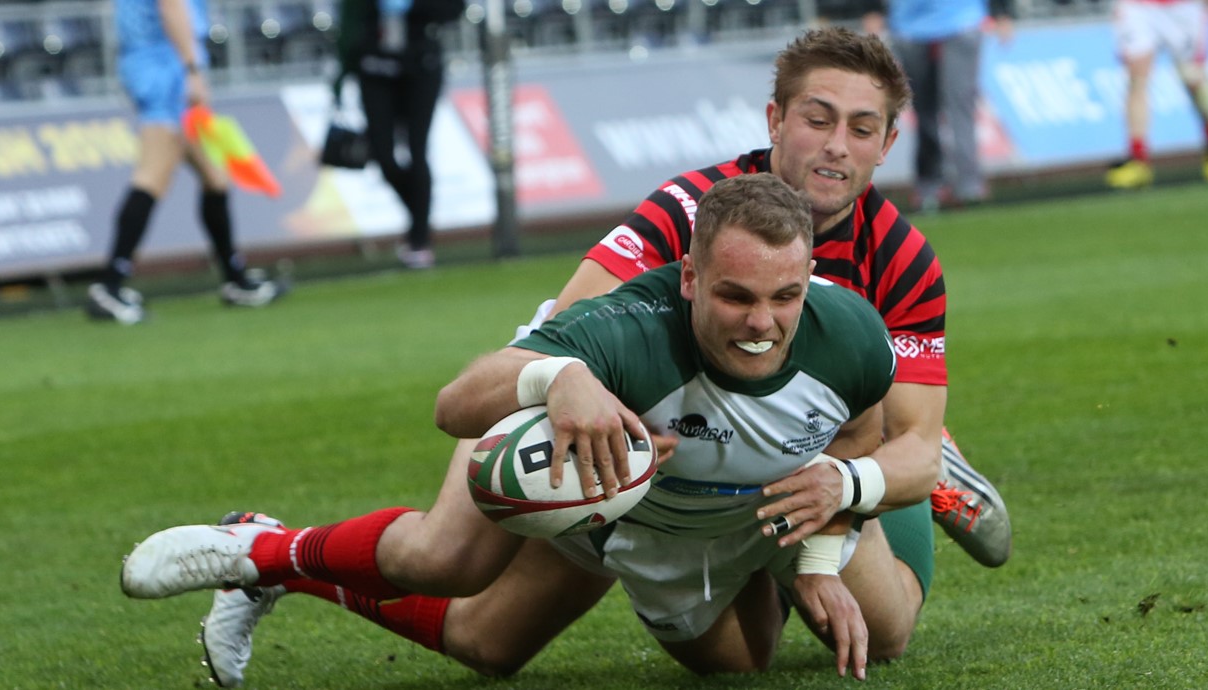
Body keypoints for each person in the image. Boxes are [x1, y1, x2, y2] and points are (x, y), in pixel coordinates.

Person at [126, 27, 1012, 686]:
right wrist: (599, 412)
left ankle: (923, 489)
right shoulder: (691, 210)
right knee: (462, 594)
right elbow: (580, 329)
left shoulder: (901, 259)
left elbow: (904, 433)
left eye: (862, 128)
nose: (836, 146)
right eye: (818, 119)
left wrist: (858, 492)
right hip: (612, 407)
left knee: (888, 622)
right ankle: (265, 550)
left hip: (794, 448)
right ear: (776, 118)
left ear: (888, 143)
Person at [122, 173, 921, 681]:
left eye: (784, 298)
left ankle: (775, 557)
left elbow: (853, 439)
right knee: (447, 561)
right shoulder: (628, 331)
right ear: (688, 278)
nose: (761, 322)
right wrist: (561, 378)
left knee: (735, 663)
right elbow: (456, 402)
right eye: (735, 297)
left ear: (810, 280)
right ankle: (264, 550)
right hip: (600, 483)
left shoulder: (850, 337)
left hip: (716, 511)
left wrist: (816, 557)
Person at [86, 0, 282, 324]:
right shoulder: (174, 62)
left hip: (154, 62)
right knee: (152, 176)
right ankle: (109, 285)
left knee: (215, 177)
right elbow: (171, 5)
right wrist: (192, 70)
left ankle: (235, 279)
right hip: (166, 69)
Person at [334, 0, 464, 270]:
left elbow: (453, 9)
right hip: (374, 68)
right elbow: (348, 20)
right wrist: (342, 70)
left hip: (420, 66)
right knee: (383, 156)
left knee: (418, 150)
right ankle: (420, 218)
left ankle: (419, 240)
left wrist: (414, 6)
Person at [868, 0, 1014, 211]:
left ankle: (968, 184)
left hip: (961, 21)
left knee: (960, 105)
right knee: (925, 111)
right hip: (909, 26)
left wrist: (1001, 12)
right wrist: (870, 9)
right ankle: (931, 184)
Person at [1105, 0, 1208, 189]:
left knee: (1193, 79)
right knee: (1136, 79)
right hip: (1138, 6)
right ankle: (1138, 159)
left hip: (1184, 7)